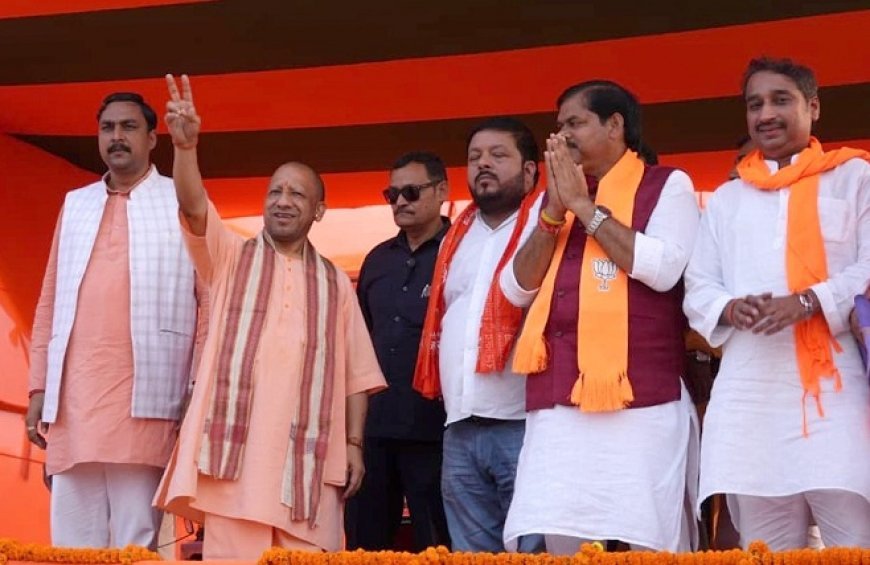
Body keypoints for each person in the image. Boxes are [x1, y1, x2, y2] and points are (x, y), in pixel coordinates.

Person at [154, 75, 386, 558]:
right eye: (275, 191)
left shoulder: (334, 283)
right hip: (234, 468)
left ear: (319, 211)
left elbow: (356, 377)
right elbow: (193, 207)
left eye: (297, 194)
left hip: (308, 469)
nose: (282, 200)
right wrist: (186, 148)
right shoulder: (230, 256)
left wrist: (354, 445)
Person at [501, 80, 700, 553]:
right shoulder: (553, 199)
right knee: (562, 539)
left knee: (649, 542)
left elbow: (664, 270)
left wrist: (585, 209)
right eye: (559, 126)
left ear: (615, 125)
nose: (563, 135)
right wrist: (553, 213)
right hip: (559, 402)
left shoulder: (667, 185)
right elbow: (515, 288)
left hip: (641, 404)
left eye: (575, 122)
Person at [684, 56, 870, 550]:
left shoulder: (853, 178)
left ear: (813, 107)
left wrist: (810, 300)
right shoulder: (727, 200)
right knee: (765, 548)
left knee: (854, 542)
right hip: (749, 396)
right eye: (755, 104)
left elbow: (869, 267)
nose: (765, 114)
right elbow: (699, 285)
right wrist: (729, 308)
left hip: (836, 392)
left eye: (780, 100)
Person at [24, 92, 198, 549]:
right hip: (73, 403)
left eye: (128, 127)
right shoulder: (76, 203)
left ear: (152, 138)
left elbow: (210, 301)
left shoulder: (181, 199)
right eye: (107, 128)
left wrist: (196, 386)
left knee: (135, 542)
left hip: (150, 398)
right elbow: (49, 302)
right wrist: (38, 388)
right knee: (71, 544)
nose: (116, 137)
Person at [413, 117, 543, 553]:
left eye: (498, 155)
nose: (483, 164)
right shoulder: (456, 236)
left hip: (523, 422)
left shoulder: (546, 226)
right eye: (475, 157)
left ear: (529, 171)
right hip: (460, 426)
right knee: (470, 555)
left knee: (533, 553)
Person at [344, 152, 451, 551]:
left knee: (436, 547)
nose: (400, 202)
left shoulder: (459, 252)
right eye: (392, 194)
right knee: (364, 547)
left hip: (434, 430)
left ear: (441, 191)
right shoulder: (377, 260)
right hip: (373, 430)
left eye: (411, 192)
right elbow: (358, 343)